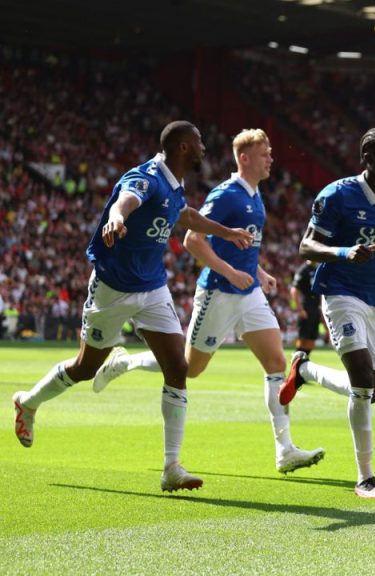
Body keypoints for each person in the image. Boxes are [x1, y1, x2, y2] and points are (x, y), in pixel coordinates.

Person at [12, 121, 253, 492]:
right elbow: (128, 198)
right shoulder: (149, 177)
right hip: (113, 287)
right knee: (85, 367)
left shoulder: (174, 183)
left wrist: (226, 232)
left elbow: (184, 216)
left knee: (178, 365)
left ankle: (172, 466)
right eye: (199, 142)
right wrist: (116, 217)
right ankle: (28, 403)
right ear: (183, 147)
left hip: (153, 286)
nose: (205, 147)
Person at [90, 129, 325, 474]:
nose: (271, 158)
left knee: (276, 363)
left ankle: (285, 449)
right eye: (264, 154)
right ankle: (123, 363)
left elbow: (240, 245)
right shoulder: (227, 194)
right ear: (244, 158)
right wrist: (231, 273)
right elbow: (193, 239)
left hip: (249, 295)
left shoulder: (256, 195)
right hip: (218, 292)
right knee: (189, 369)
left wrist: (258, 273)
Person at [278, 128, 375, 499]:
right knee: (362, 381)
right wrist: (343, 252)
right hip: (340, 293)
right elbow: (306, 246)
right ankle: (365, 478)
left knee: (367, 392)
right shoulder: (337, 195)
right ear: (367, 159)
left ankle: (305, 369)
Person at [291, 260, 322, 356]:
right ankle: (296, 361)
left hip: (315, 307)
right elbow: (294, 290)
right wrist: (300, 309)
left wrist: (320, 307)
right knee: (303, 338)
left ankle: (303, 361)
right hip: (306, 307)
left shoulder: (317, 268)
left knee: (311, 340)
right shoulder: (303, 270)